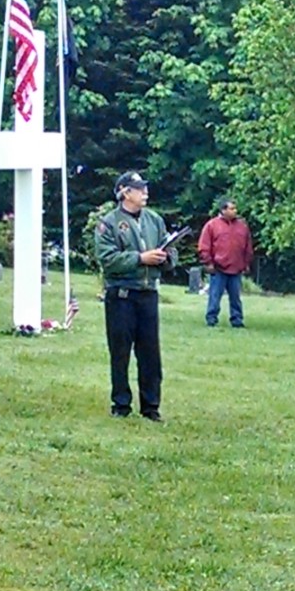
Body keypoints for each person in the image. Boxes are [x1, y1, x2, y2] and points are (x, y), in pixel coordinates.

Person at [94, 171, 176, 421]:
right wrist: (140, 258)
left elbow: (169, 248)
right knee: (120, 352)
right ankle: (121, 405)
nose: (145, 193)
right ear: (125, 192)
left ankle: (151, 407)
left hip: (148, 294)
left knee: (150, 354)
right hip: (121, 295)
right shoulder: (108, 223)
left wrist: (165, 259)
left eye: (145, 188)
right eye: (139, 188)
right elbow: (107, 260)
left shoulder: (154, 220)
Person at [197, 198, 253, 328]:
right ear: (223, 210)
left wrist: (246, 263)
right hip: (218, 267)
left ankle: (237, 319)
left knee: (236, 297)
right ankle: (211, 318)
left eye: (235, 208)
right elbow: (204, 246)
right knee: (215, 296)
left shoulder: (242, 227)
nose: (235, 211)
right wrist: (208, 262)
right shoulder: (212, 225)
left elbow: (247, 247)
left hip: (236, 267)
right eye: (231, 208)